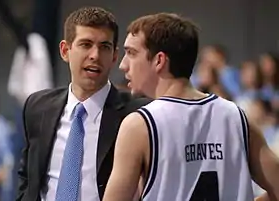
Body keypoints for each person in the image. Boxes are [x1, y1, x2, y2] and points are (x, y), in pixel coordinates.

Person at [103, 13, 279, 201]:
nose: (123, 65)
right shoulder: (237, 117)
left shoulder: (139, 125)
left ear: (159, 61)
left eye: (131, 53)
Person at [16, 7, 150, 201]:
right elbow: (27, 177)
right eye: (86, 44)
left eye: (104, 47)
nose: (95, 55)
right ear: (65, 50)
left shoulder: (137, 113)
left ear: (114, 56)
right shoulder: (38, 106)